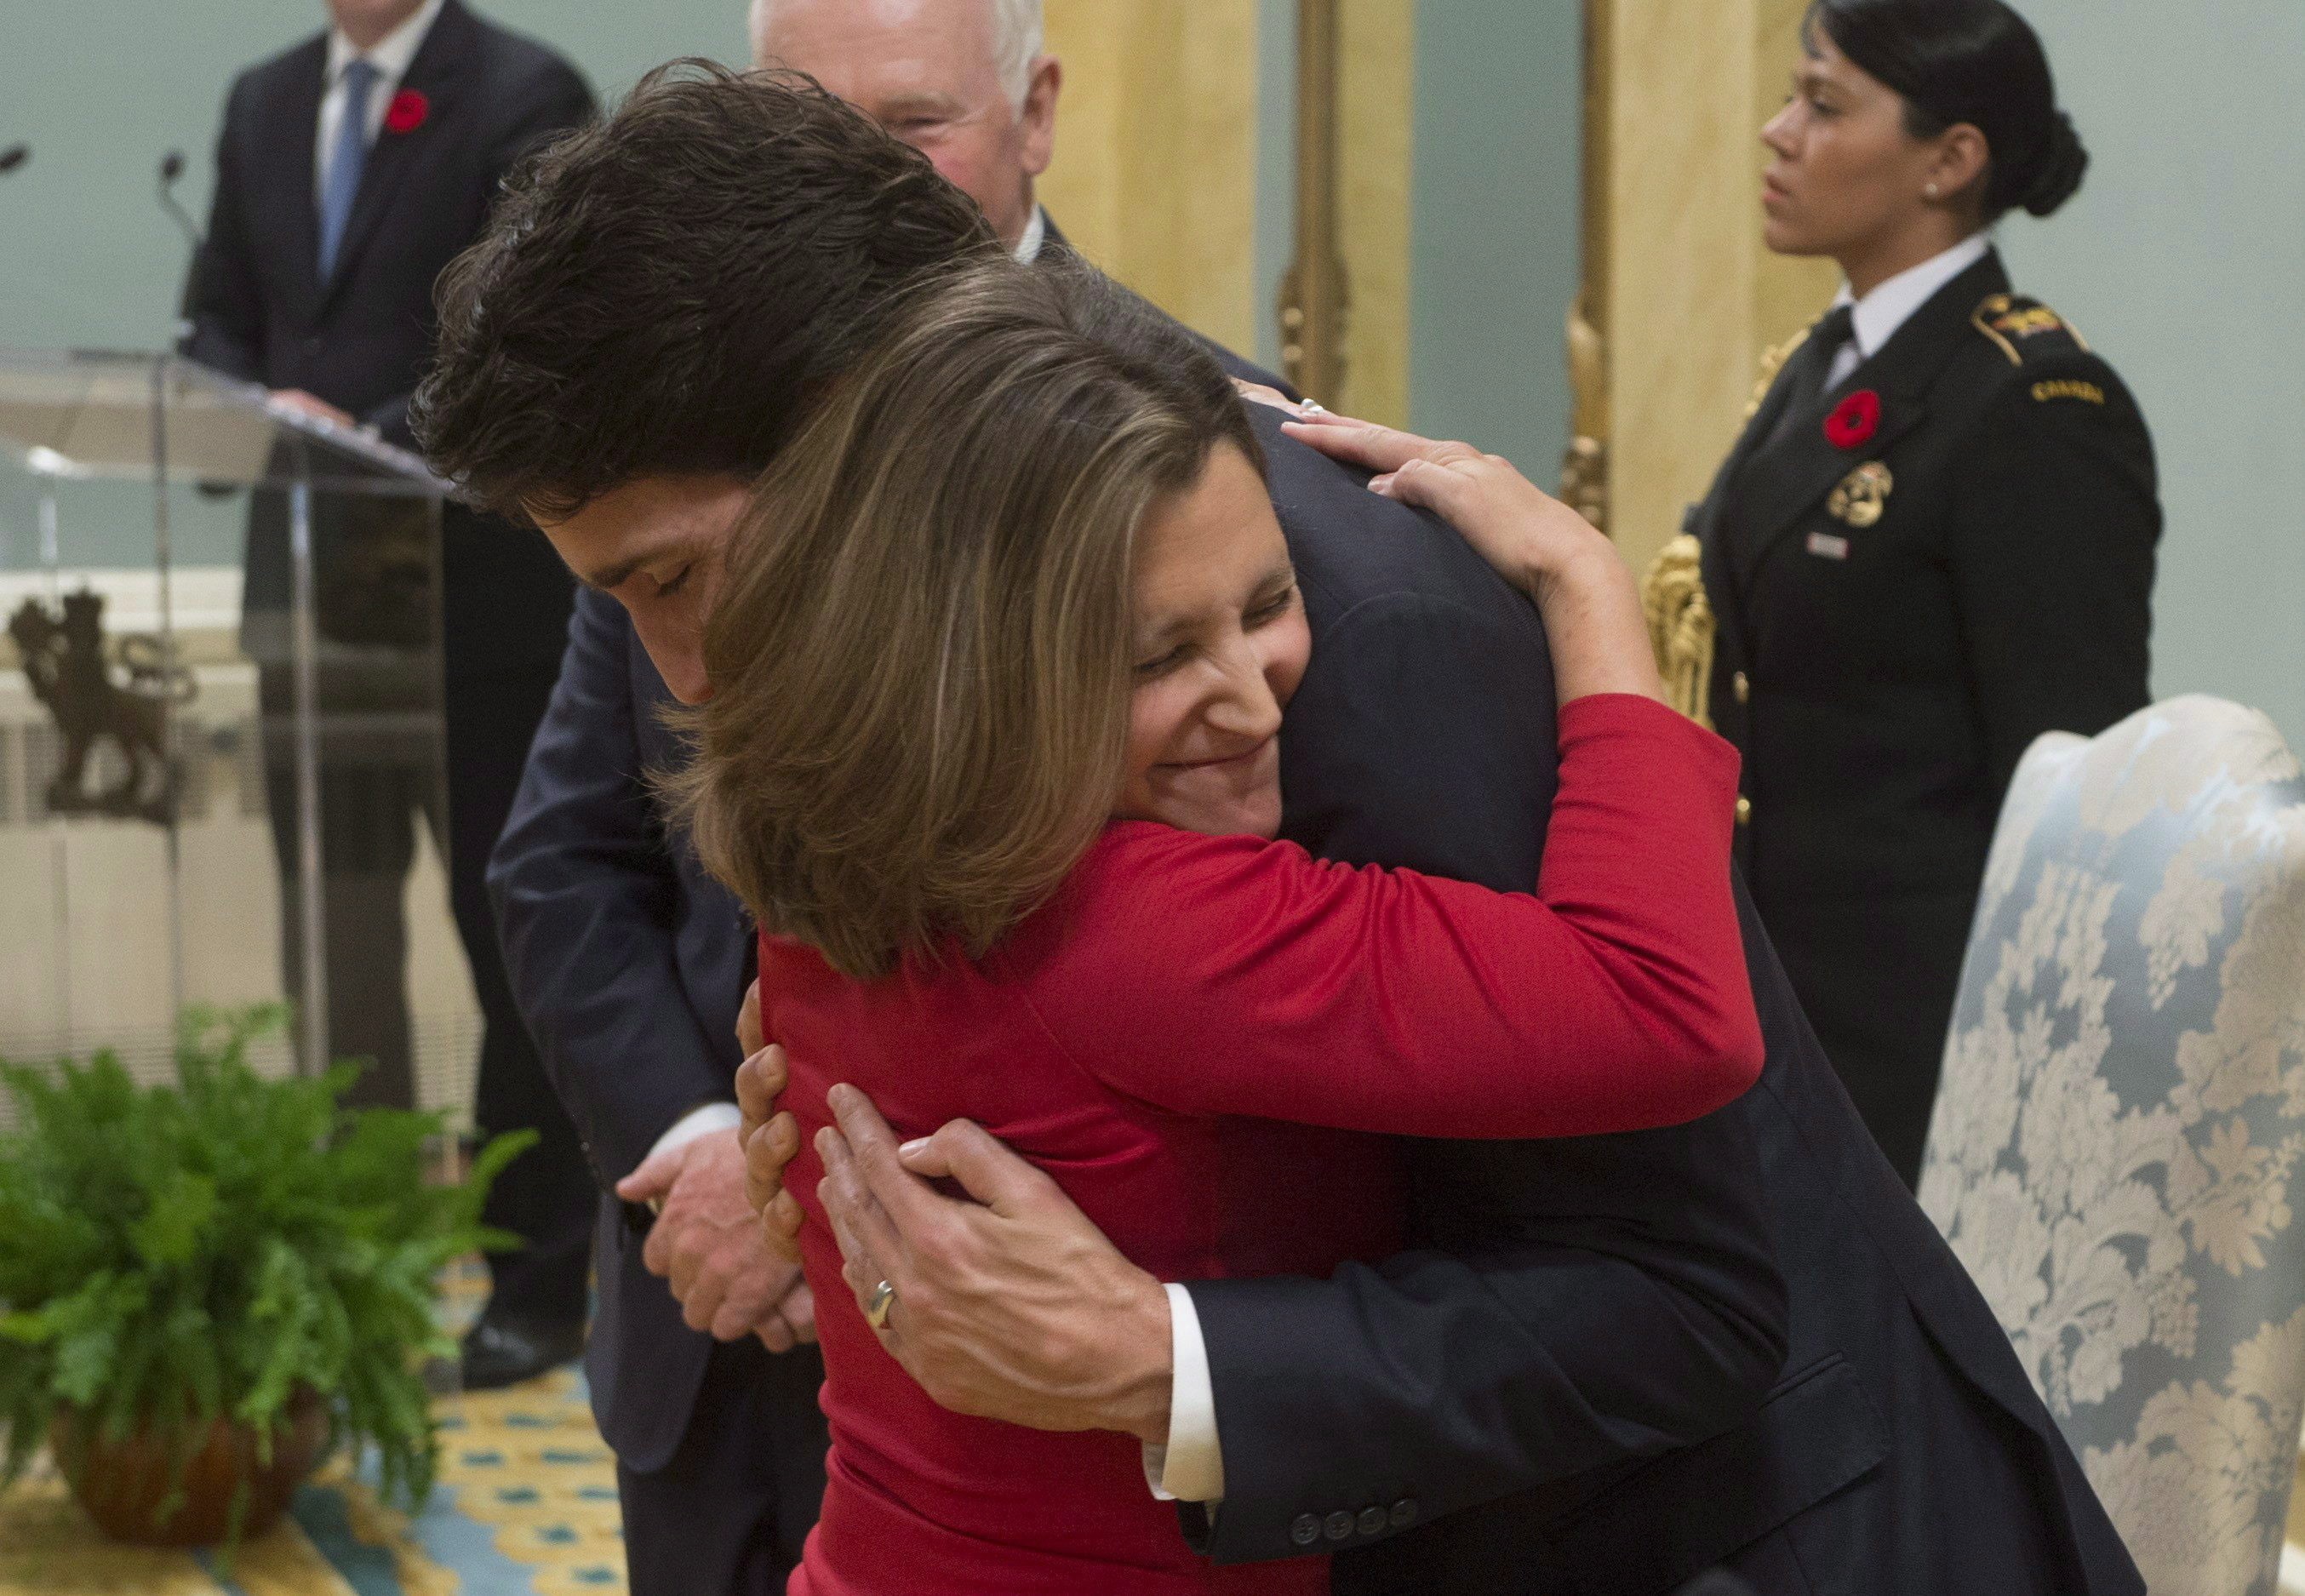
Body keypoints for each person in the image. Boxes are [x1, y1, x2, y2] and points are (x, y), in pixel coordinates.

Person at [424, 66, 2140, 1596]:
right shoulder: (957, 637)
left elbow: (1683, 1298)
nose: (689, 673)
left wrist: (1162, 1357)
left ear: (877, 438)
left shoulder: (1332, 634)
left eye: (672, 579)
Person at [668, 254, 1763, 1593]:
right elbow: (1665, 1007)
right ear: (981, 664)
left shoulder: (826, 851)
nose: (1251, 699)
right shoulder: (1138, 924)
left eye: (1265, 605)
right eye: (1155, 657)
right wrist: (1588, 587)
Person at [458, 0, 1072, 1580]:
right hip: (699, 1324)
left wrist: (808, 1181)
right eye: (801, 124)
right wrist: (695, 1154)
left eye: (910, 125)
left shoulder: (1136, 440)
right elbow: (564, 863)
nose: (845, 184)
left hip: (1000, 1383)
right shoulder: (662, 426)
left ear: (1034, 115)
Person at [180, 0, 598, 1387]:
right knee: (336, 953)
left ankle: (538, 1282)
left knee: (512, 944)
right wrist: (245, 406)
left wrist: (356, 438)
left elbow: (535, 329)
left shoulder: (524, 90)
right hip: (314, 609)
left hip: (475, 606)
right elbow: (221, 318)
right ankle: (357, 1264)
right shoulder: (258, 101)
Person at [1690, 0, 2160, 1184]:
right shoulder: (1832, 359)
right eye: (1793, 94)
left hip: (1921, 1034)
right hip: (1782, 998)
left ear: (1951, 160)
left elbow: (2066, 796)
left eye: (1823, 105)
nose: (1776, 130)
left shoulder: (2035, 405)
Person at [749, 0, 1059, 258]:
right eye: (813, 127)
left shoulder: (1093, 332)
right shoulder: (729, 325)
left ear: (1034, 114)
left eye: (917, 122)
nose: (858, 177)